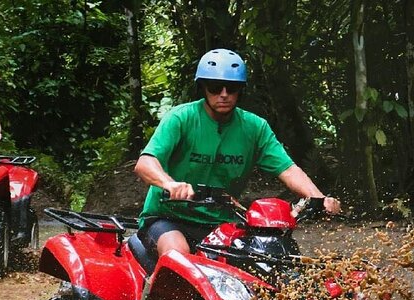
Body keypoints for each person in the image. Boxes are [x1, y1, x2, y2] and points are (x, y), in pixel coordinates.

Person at [134, 48, 341, 258]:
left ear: (240, 91)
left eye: (231, 88)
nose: (224, 94)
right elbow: (145, 163)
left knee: (260, 260)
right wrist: (169, 184)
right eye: (215, 88)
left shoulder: (255, 127)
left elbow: (287, 169)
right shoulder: (180, 118)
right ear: (203, 88)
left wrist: (319, 198)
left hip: (222, 222)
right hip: (167, 217)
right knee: (178, 253)